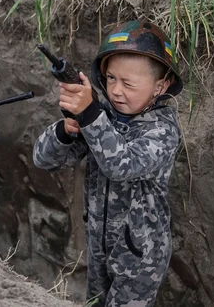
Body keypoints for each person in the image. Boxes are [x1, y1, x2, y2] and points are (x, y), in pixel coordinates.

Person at [33, 20, 183, 307]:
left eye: (128, 83)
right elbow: (43, 159)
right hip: (98, 246)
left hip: (141, 258)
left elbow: (121, 164)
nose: (116, 90)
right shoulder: (103, 117)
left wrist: (90, 115)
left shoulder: (162, 131)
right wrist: (66, 130)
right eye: (111, 79)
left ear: (160, 86)